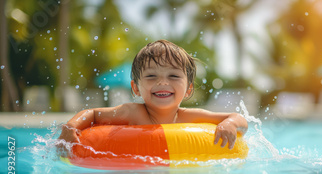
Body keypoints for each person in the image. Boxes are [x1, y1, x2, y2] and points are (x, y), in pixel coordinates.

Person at [58, 39, 248, 150]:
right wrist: (71, 127)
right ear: (136, 88)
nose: (162, 82)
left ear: (189, 89)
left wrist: (229, 124)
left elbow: (238, 118)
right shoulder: (133, 113)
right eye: (151, 76)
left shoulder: (188, 117)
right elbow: (92, 114)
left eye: (173, 75)